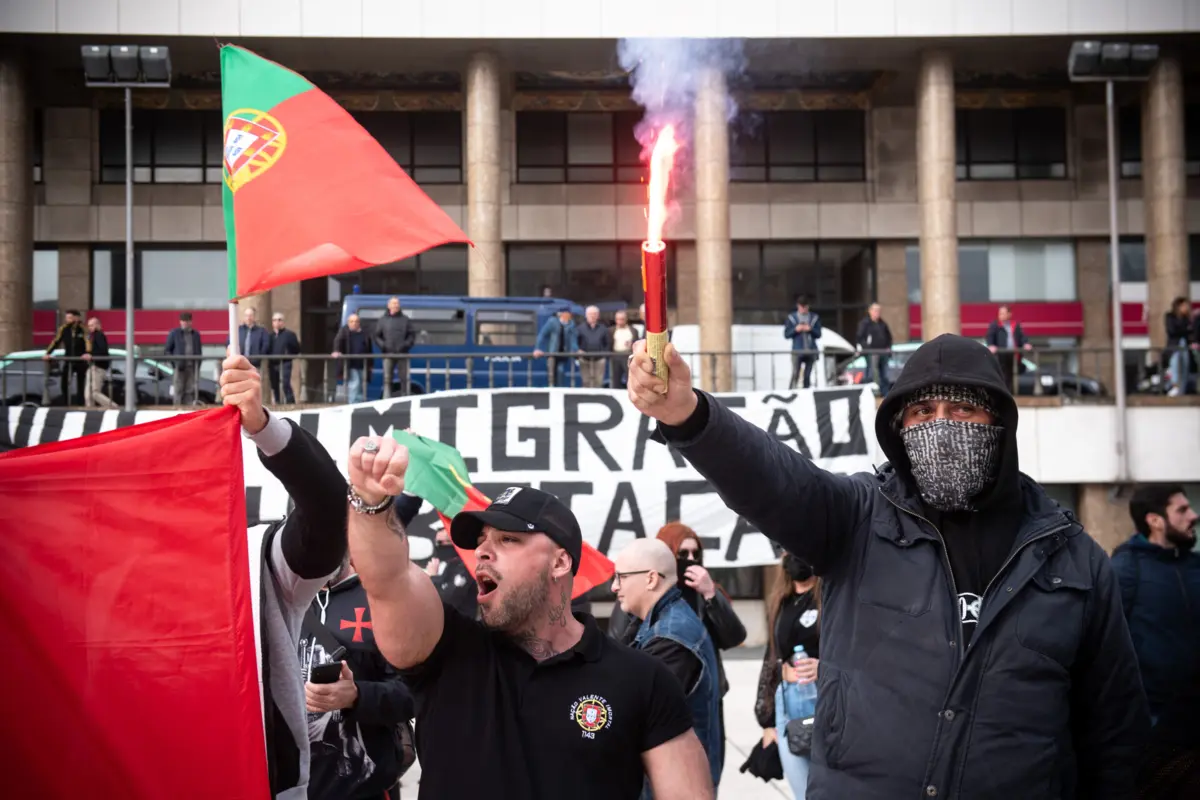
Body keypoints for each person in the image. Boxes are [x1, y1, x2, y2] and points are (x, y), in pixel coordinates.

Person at [626, 333, 1150, 799]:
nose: (940, 427)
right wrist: (690, 415)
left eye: (962, 410)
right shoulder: (857, 517)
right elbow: (773, 479)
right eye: (922, 414)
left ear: (1000, 424)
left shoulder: (1073, 558)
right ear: (900, 430)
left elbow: (1115, 735)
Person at [342, 457, 713, 799]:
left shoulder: (643, 680)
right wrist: (370, 502)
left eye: (508, 539)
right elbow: (387, 579)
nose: (483, 551)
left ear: (559, 562)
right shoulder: (446, 652)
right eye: (482, 541)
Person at [218, 352, 351, 800]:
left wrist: (261, 426)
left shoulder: (259, 561)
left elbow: (328, 504)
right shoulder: (104, 580)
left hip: (263, 780)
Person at [607, 521, 746, 778]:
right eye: (682, 554)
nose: (614, 587)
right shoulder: (642, 608)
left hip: (677, 767)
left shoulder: (673, 633)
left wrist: (711, 594)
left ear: (651, 578)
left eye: (622, 578)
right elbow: (617, 655)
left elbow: (634, 708)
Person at [303, 554, 415, 800]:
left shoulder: (381, 602)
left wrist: (357, 696)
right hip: (293, 788)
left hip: (365, 788)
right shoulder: (279, 605)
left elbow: (414, 694)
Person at [1112, 485, 1200, 726]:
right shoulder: (1126, 569)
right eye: (1182, 510)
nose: (1193, 516)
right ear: (1155, 520)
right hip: (1152, 717)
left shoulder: (1196, 566)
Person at [756, 553, 821, 799]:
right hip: (787, 702)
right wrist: (768, 721)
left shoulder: (829, 599)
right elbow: (772, 658)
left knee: (825, 785)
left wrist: (823, 667)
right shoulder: (782, 602)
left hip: (820, 697)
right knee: (800, 788)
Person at [423, 522, 478, 620]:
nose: (438, 546)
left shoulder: (465, 566)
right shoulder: (452, 564)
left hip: (461, 629)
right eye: (437, 542)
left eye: (440, 542)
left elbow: (447, 601)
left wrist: (433, 577)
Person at [374, 296, 415, 399]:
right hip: (387, 353)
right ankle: (386, 399)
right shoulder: (382, 320)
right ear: (389, 305)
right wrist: (384, 346)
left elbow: (412, 335)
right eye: (393, 303)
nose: (395, 305)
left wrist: (405, 345)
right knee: (387, 379)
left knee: (404, 378)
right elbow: (376, 336)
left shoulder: (405, 320)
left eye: (397, 303)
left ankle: (405, 399)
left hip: (402, 353)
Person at [43, 308, 87, 404]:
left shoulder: (83, 328)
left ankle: (81, 403)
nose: (67, 320)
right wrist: (48, 353)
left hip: (81, 360)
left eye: (70, 318)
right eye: (67, 318)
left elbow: (88, 342)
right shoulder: (63, 329)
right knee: (64, 383)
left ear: (76, 318)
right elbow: (56, 341)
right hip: (68, 359)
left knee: (81, 383)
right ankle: (66, 403)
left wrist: (88, 352)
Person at [985, 305, 1032, 393]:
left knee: (1011, 374)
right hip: (1001, 354)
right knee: (1002, 374)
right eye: (1000, 313)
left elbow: (1022, 337)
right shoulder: (995, 325)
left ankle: (1011, 393)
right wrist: (991, 345)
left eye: (1003, 313)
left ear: (1009, 314)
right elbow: (990, 337)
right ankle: (1002, 392)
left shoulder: (1015, 325)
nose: (1001, 315)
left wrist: (1026, 344)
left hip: (1013, 354)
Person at [164, 312, 203, 406]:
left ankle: (188, 409)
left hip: (192, 366)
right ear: (180, 322)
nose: (185, 323)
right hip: (179, 367)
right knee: (178, 389)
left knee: (190, 389)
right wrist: (175, 363)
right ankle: (177, 408)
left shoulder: (195, 334)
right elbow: (167, 351)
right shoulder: (174, 333)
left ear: (191, 322)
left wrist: (198, 364)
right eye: (183, 321)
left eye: (187, 321)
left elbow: (199, 350)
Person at [332, 314, 372, 405]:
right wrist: (336, 351)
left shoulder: (364, 333)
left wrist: (370, 363)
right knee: (354, 384)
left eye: (356, 321)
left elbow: (369, 348)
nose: (354, 323)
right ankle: (354, 404)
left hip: (362, 364)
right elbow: (338, 341)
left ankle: (359, 403)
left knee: (361, 385)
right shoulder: (344, 331)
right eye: (352, 321)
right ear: (348, 323)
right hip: (351, 364)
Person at [855, 303, 893, 395]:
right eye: (875, 310)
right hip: (871, 353)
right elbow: (859, 337)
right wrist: (868, 349)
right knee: (871, 374)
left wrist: (888, 348)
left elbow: (889, 337)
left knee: (884, 375)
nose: (877, 313)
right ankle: (871, 394)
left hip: (883, 352)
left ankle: (885, 394)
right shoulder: (865, 323)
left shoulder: (883, 324)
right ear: (870, 311)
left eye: (879, 311)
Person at [534, 308, 579, 388]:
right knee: (551, 373)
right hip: (552, 352)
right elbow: (542, 335)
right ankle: (551, 388)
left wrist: (576, 350)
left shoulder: (571, 324)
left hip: (564, 353)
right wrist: (537, 348)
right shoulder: (552, 322)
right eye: (567, 313)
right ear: (562, 314)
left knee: (560, 370)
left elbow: (573, 340)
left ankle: (560, 388)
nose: (569, 315)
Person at [784, 295, 821, 390]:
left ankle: (806, 392)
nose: (803, 309)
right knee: (795, 373)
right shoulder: (792, 318)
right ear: (798, 306)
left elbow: (819, 334)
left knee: (807, 375)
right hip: (797, 350)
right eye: (802, 307)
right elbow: (786, 334)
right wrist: (796, 329)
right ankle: (791, 392)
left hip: (810, 350)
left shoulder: (814, 318)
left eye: (805, 307)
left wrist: (810, 329)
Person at [1163, 297, 1196, 396]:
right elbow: (1172, 331)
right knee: (1175, 363)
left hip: (1185, 345)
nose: (1186, 308)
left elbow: (1191, 332)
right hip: (1175, 344)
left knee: (1185, 366)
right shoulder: (1170, 316)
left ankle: (1183, 387)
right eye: (1184, 306)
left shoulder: (1186, 319)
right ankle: (1175, 386)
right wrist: (1185, 329)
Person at [82, 317, 118, 409]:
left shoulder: (99, 335)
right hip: (92, 366)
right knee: (88, 394)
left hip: (98, 366)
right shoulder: (90, 336)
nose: (90, 327)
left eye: (92, 325)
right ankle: (90, 411)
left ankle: (113, 407)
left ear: (98, 325)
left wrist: (91, 356)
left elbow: (103, 350)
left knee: (95, 392)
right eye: (89, 325)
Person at [269, 312, 301, 405]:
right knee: (274, 384)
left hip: (285, 363)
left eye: (279, 320)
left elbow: (297, 349)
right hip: (273, 363)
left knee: (285, 383)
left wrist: (288, 354)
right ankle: (278, 401)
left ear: (283, 322)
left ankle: (291, 402)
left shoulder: (290, 334)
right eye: (274, 320)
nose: (277, 322)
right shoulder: (270, 336)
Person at [577, 305, 612, 389]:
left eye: (594, 314)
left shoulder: (603, 329)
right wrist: (578, 352)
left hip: (599, 359)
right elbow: (576, 342)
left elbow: (607, 343)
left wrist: (604, 355)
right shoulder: (580, 328)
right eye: (590, 314)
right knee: (586, 381)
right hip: (584, 359)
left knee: (598, 382)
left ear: (598, 316)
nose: (592, 316)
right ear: (586, 315)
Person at [611, 310, 637, 389]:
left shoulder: (633, 330)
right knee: (616, 378)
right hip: (615, 355)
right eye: (618, 319)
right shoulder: (611, 330)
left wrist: (631, 344)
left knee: (630, 377)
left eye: (622, 319)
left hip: (628, 355)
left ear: (626, 319)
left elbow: (637, 342)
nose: (620, 321)